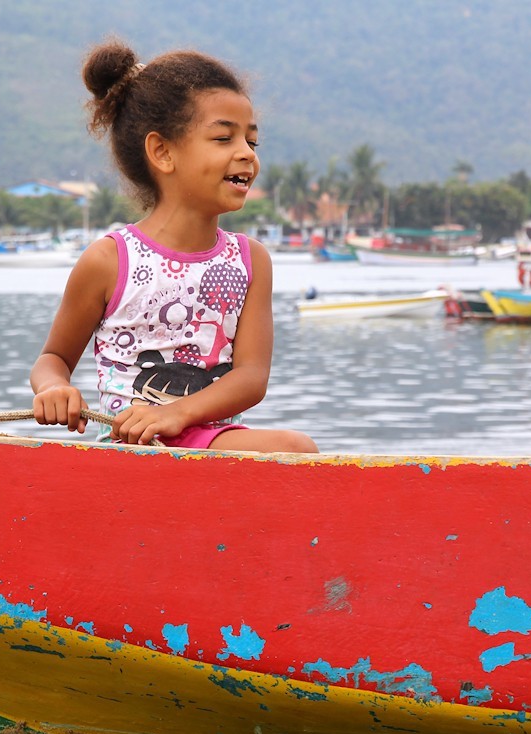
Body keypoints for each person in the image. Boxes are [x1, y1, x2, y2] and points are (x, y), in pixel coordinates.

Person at [30, 40, 318, 454]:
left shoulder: (251, 260)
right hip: (126, 448)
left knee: (296, 448)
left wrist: (178, 413)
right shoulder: (109, 260)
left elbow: (251, 377)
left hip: (217, 443)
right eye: (224, 138)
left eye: (251, 143)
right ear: (162, 152)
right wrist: (55, 388)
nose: (246, 155)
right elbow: (53, 358)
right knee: (296, 449)